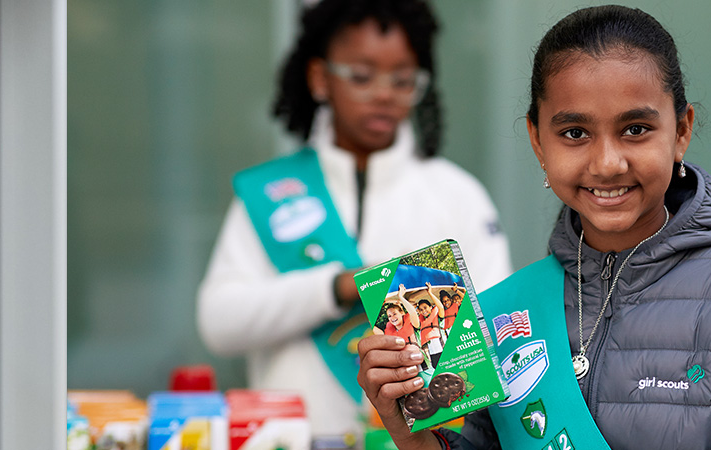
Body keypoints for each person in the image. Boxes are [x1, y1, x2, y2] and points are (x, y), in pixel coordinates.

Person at [355, 6, 711, 449]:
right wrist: (412, 433)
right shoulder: (505, 309)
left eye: (635, 129)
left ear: (681, 132)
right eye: (575, 132)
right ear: (538, 142)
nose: (608, 163)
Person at [196, 0, 511, 441]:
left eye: (402, 79)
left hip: (419, 443)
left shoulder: (458, 195)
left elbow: (497, 328)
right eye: (361, 76)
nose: (384, 93)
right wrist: (337, 287)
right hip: (293, 439)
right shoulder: (274, 193)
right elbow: (219, 322)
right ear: (319, 78)